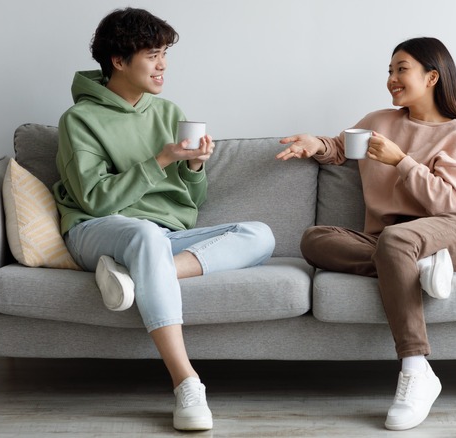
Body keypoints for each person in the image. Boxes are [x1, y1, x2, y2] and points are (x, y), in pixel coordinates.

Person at [53, 8, 275, 431]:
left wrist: (193, 169)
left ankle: (140, 276)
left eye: (164, 55)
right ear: (119, 61)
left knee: (260, 235)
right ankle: (186, 382)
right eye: (152, 55)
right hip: (97, 231)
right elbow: (95, 199)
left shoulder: (168, 112)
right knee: (141, 235)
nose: (162, 65)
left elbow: (192, 203)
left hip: (162, 236)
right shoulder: (78, 120)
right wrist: (160, 159)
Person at [276, 37, 456, 431]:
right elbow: (340, 148)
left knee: (398, 241)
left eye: (401, 69)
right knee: (314, 240)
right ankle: (416, 265)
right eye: (390, 71)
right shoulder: (379, 121)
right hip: (400, 238)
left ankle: (416, 368)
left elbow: (449, 203)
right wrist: (316, 144)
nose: (392, 79)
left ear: (432, 77)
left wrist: (402, 161)